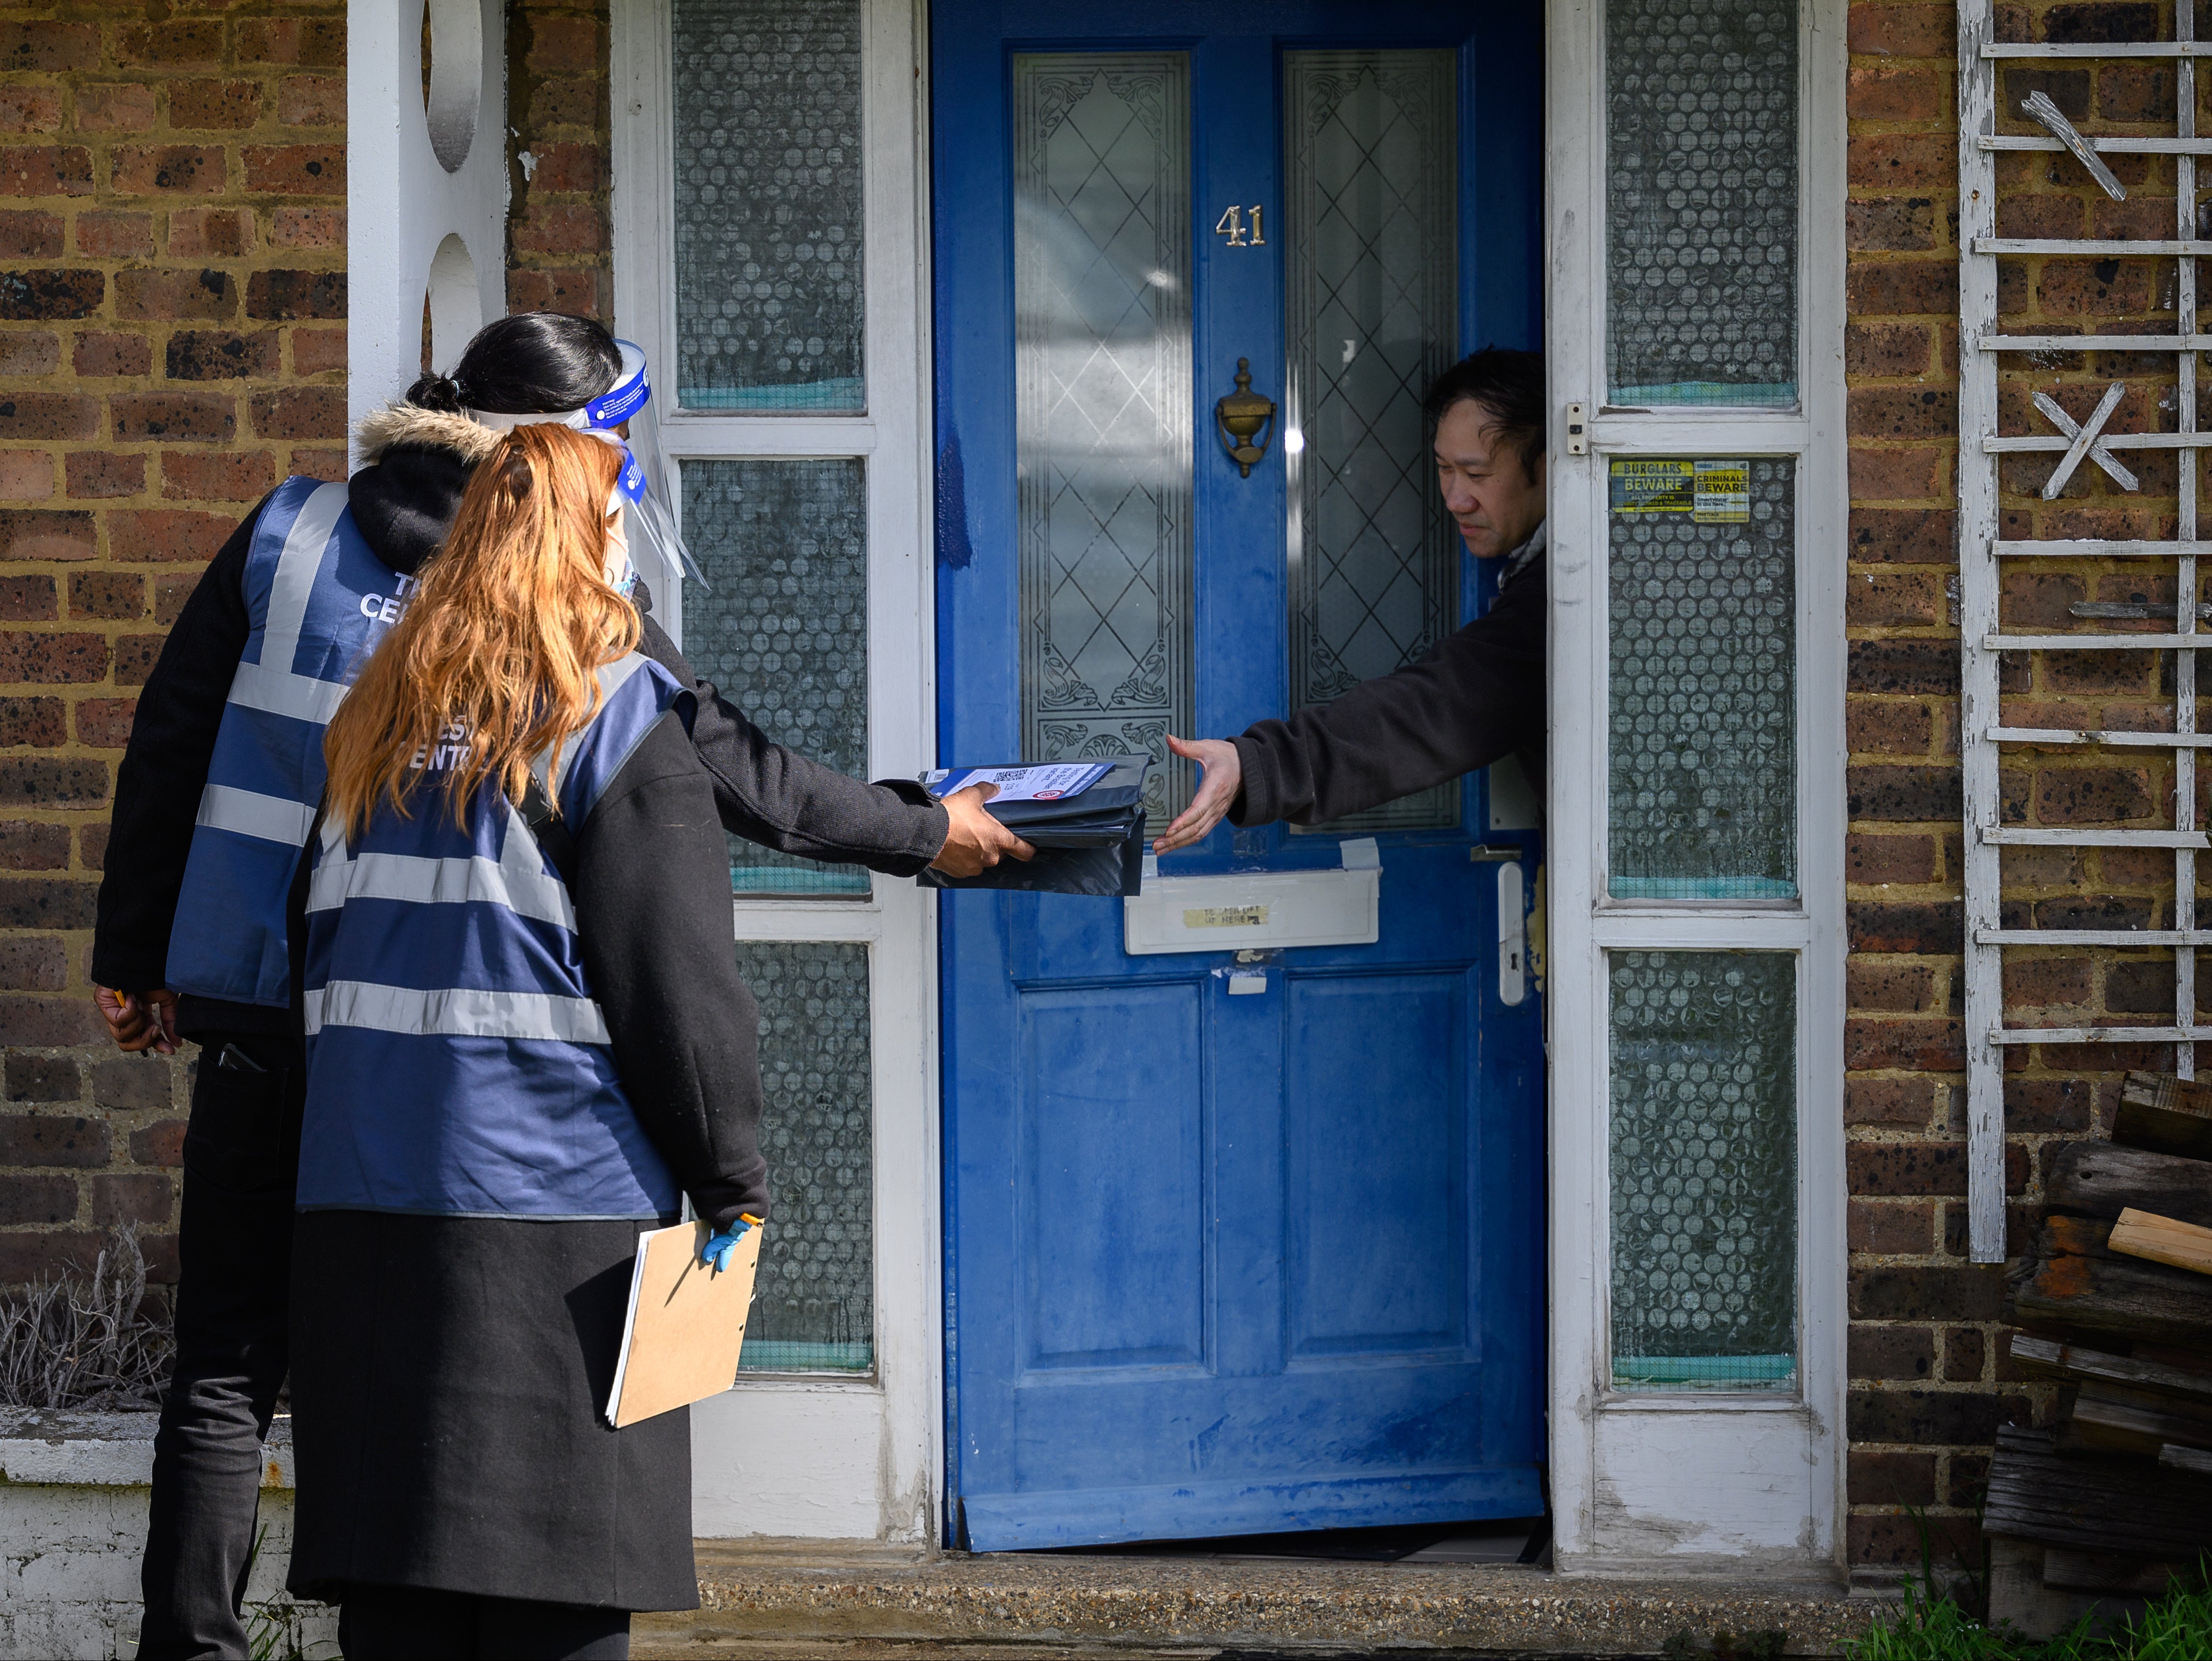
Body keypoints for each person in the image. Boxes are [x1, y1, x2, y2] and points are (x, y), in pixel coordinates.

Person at [91, 313, 1028, 1661]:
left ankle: (192, 1646)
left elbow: (170, 741)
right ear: (570, 454)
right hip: (459, 1066)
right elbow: (732, 779)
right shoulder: (555, 585)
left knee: (232, 1363)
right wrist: (924, 828)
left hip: (271, 1009)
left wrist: (137, 959)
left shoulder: (289, 530)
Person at [285, 421, 757, 1657]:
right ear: (597, 546)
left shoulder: (371, 728)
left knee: (397, 1614)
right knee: (557, 1614)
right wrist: (733, 1183)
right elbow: (680, 993)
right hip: (561, 1232)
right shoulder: (612, 719)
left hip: (361, 1220)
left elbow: (316, 957)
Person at [1151, 348, 1547, 851]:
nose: (1454, 498)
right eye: (1444, 469)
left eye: (1477, 474)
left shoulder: (1574, 596)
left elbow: (1435, 708)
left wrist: (1259, 766)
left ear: (1548, 461)